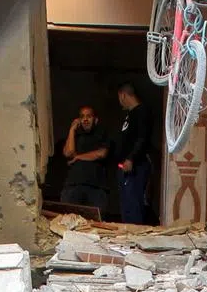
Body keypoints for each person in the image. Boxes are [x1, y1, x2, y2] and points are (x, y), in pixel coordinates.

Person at [60, 104, 110, 220]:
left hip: (95, 187)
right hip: (73, 186)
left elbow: (101, 153)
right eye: (82, 117)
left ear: (95, 119)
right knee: (69, 223)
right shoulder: (75, 135)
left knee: (96, 224)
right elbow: (68, 153)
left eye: (89, 116)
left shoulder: (101, 134)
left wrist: (78, 157)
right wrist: (72, 129)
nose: (85, 119)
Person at [114, 82, 152, 225]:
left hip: (135, 167)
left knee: (133, 203)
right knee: (126, 205)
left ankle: (134, 237)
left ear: (123, 95)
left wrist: (131, 159)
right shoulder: (129, 114)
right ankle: (127, 235)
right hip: (124, 168)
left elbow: (142, 138)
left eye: (119, 97)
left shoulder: (142, 112)